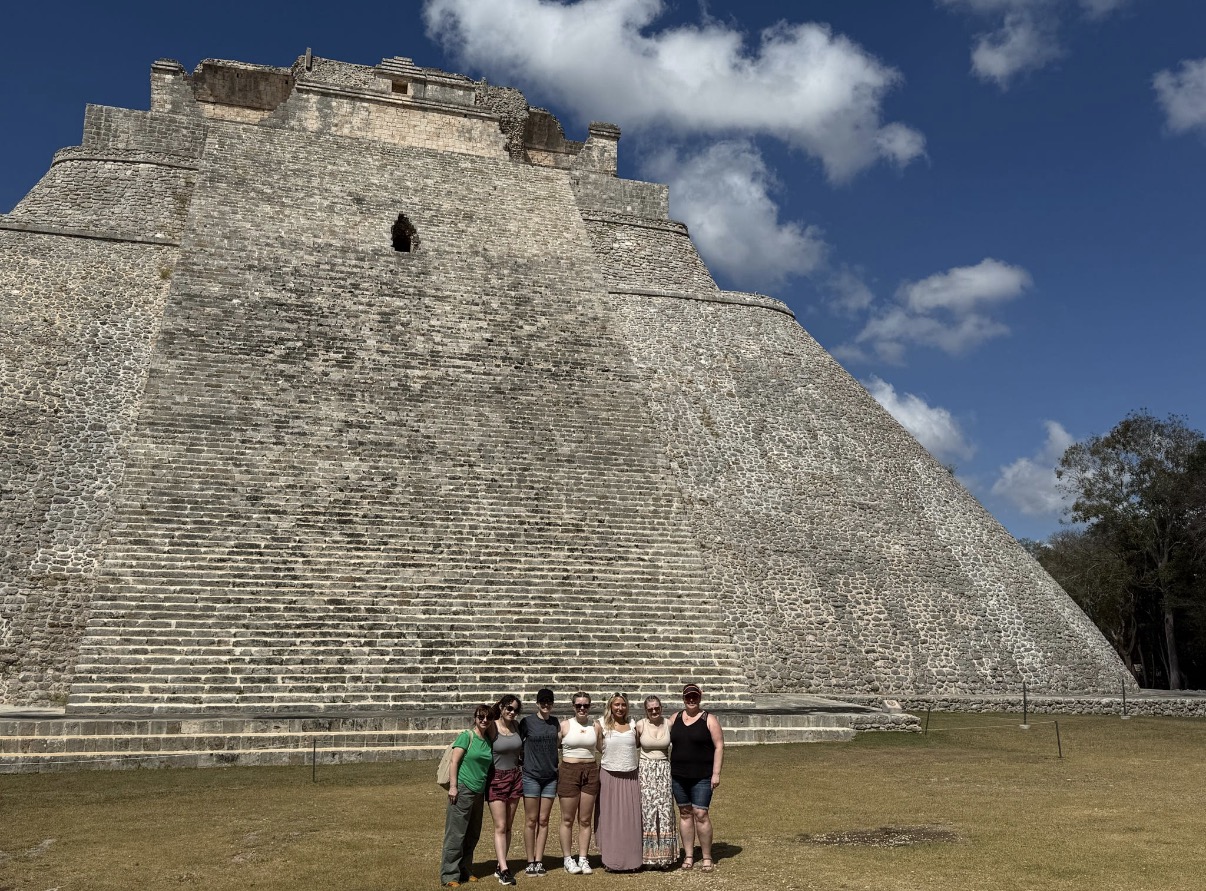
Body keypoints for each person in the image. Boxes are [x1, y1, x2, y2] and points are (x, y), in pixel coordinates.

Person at [669, 683, 724, 873]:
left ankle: (707, 856)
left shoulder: (709, 719)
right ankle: (689, 855)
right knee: (684, 813)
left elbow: (719, 746)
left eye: (694, 696)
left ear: (700, 697)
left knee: (701, 814)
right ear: (683, 699)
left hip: (702, 776)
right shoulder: (675, 718)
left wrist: (716, 773)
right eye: (687, 697)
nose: (691, 700)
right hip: (678, 776)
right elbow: (659, 735)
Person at [441, 705, 494, 887]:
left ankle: (465, 869)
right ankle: (449, 875)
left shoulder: (487, 739)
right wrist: (453, 787)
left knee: (472, 833)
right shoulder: (467, 736)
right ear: (475, 717)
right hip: (463, 789)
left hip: (479, 792)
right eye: (481, 717)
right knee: (456, 833)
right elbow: (454, 761)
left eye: (488, 717)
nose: (484, 720)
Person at [595, 692, 642, 871]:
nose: (620, 708)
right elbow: (600, 748)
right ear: (610, 706)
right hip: (609, 775)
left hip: (630, 775)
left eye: (623, 704)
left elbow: (637, 745)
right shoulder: (600, 725)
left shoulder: (633, 725)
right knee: (610, 819)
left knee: (631, 819)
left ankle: (632, 860)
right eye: (616, 705)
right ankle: (611, 859)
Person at [557, 691, 600, 875]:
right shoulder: (565, 725)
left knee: (585, 819)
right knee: (567, 819)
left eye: (586, 705)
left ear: (590, 707)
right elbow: (555, 746)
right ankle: (568, 858)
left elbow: (602, 747)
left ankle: (583, 858)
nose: (582, 708)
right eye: (578, 705)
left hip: (590, 771)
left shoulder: (595, 726)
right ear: (573, 706)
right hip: (569, 771)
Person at [519, 688, 560, 877]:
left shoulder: (555, 723)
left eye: (548, 702)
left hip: (550, 777)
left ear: (552, 704)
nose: (545, 705)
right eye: (542, 702)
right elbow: (518, 743)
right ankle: (529, 861)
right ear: (537, 703)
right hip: (531, 776)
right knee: (531, 820)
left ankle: (539, 860)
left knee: (544, 820)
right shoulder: (527, 722)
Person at [634, 695, 677, 868]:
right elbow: (633, 746)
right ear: (646, 710)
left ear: (661, 708)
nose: (654, 711)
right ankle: (648, 857)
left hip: (664, 770)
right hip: (646, 770)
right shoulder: (640, 725)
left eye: (656, 708)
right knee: (648, 811)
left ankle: (665, 856)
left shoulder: (669, 724)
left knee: (665, 810)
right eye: (650, 709)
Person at [485, 694, 524, 886]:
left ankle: (501, 864)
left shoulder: (516, 727)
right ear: (501, 707)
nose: (512, 712)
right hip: (497, 778)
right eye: (509, 708)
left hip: (515, 777)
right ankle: (504, 870)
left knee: (508, 825)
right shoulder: (492, 726)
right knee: (500, 826)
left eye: (515, 710)